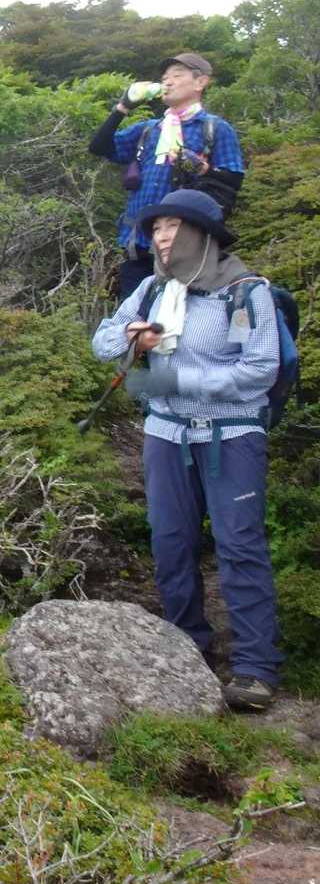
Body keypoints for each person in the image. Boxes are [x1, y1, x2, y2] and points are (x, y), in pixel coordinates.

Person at [91, 189, 281, 710]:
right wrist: (133, 338)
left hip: (232, 435)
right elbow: (102, 341)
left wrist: (176, 380)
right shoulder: (154, 288)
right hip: (167, 434)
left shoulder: (244, 292)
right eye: (156, 228)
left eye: (173, 226)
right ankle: (188, 652)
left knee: (239, 546)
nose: (162, 237)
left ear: (202, 233)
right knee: (171, 544)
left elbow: (259, 369)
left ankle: (255, 669)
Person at [89, 52, 245, 301]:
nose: (168, 82)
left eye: (177, 76)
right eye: (164, 78)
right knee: (134, 318)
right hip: (138, 244)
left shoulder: (214, 128)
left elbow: (233, 181)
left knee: (180, 316)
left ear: (200, 82)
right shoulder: (149, 129)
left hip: (187, 246)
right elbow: (99, 147)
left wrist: (201, 168)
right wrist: (122, 107)